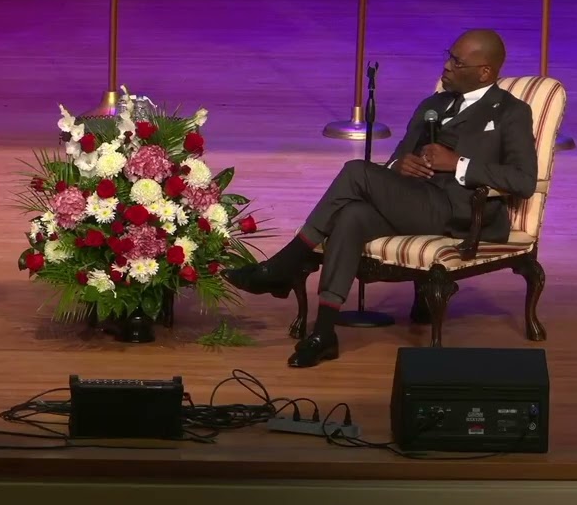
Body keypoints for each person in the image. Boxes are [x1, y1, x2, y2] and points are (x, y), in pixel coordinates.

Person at [222, 29, 537, 368]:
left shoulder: (510, 112)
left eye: (457, 62)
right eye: (448, 56)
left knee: (355, 171)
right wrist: (399, 165)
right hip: (418, 199)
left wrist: (458, 163)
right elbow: (399, 156)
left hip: (459, 211)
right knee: (352, 216)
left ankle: (283, 265)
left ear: (485, 72)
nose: (446, 66)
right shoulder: (433, 104)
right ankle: (324, 333)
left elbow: (524, 180)